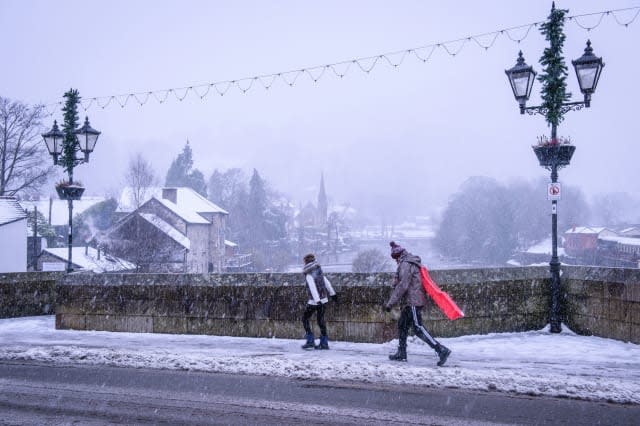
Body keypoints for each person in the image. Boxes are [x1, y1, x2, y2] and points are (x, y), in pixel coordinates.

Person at [383, 241, 451, 366]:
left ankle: (441, 350)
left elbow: (403, 285)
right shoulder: (410, 262)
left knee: (418, 328)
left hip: (413, 301)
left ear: (398, 256)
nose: (395, 261)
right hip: (410, 302)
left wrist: (390, 303)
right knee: (402, 325)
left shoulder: (405, 264)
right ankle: (402, 353)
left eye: (395, 258)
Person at [301, 253, 338, 350]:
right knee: (321, 321)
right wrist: (333, 294)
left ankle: (310, 340)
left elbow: (312, 288)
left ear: (305, 262)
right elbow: (326, 283)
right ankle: (324, 343)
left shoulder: (309, 274)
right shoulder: (319, 271)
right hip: (324, 299)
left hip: (314, 302)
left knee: (305, 319)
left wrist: (317, 300)